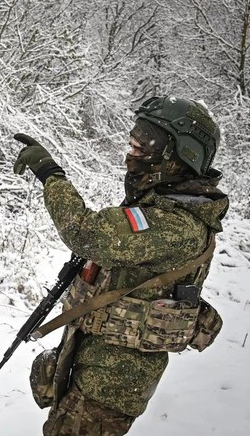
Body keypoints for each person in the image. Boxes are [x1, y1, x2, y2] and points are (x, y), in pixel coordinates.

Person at [13, 96, 228, 435]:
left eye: (145, 144)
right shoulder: (162, 206)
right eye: (134, 139)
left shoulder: (177, 224)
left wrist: (50, 173)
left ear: (180, 155)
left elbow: (86, 233)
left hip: (112, 382)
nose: (133, 150)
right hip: (95, 360)